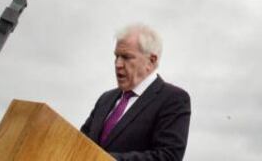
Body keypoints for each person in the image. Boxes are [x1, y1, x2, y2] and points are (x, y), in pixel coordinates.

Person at [81, 24, 191, 160]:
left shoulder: (173, 99)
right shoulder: (105, 99)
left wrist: (102, 159)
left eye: (126, 57)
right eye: (116, 56)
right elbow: (80, 143)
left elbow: (168, 157)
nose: (118, 64)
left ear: (151, 61)